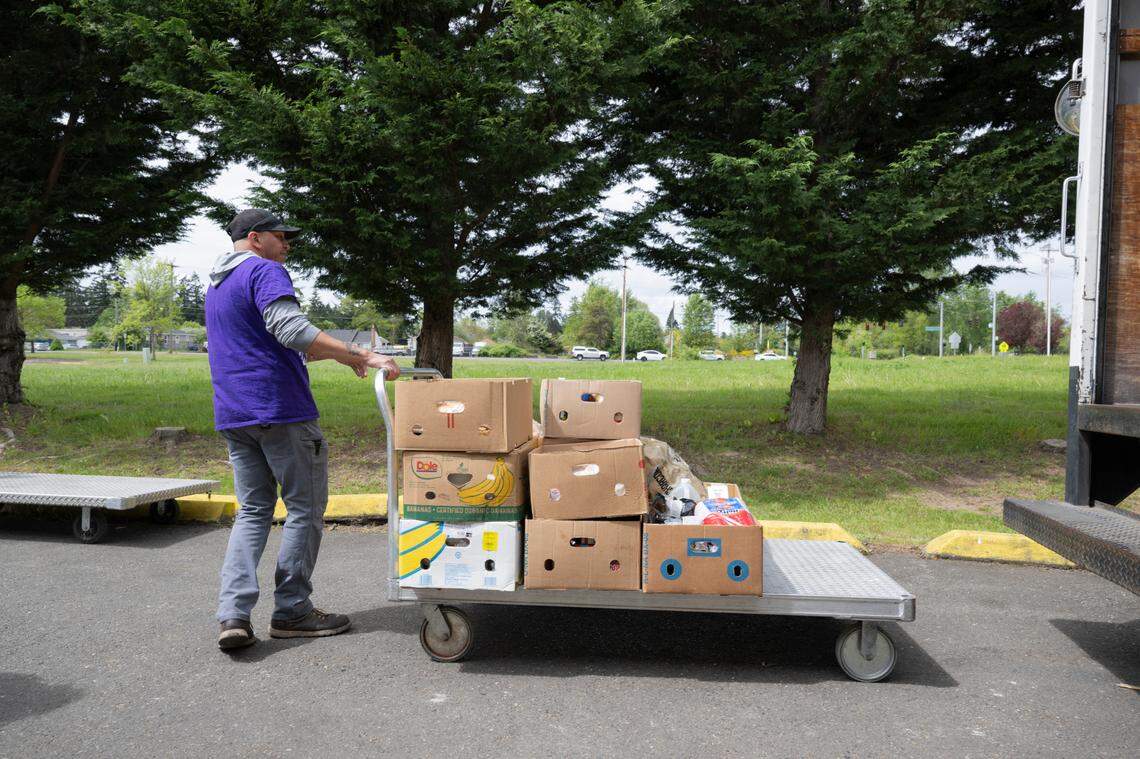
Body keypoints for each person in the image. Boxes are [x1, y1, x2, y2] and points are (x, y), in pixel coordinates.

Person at [206, 208, 400, 651]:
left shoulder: (218, 284)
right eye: (281, 236)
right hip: (281, 410)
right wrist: (364, 355)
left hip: (235, 413)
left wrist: (340, 355)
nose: (287, 244)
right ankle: (293, 611)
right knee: (304, 509)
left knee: (253, 511)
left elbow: (267, 343)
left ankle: (233, 615)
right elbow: (291, 329)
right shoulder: (265, 272)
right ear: (256, 238)